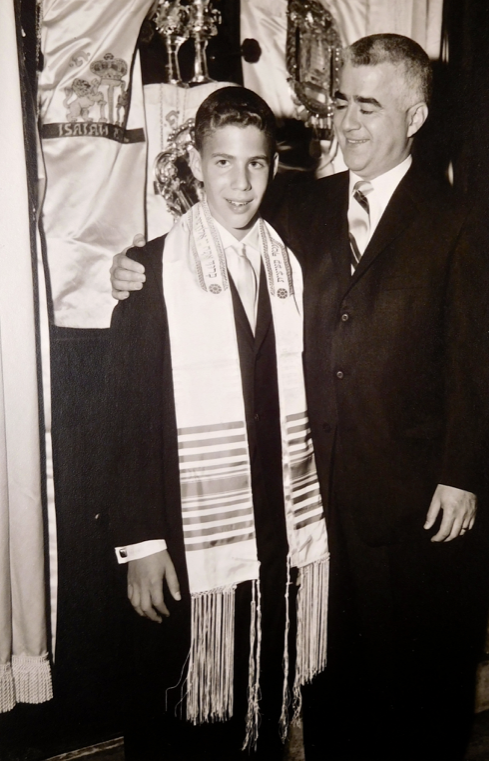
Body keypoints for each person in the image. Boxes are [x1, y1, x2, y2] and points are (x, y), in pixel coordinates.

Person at [111, 35, 489, 760]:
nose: (348, 122)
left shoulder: (471, 228)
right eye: (342, 101)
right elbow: (215, 232)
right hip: (315, 508)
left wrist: (463, 473)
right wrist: (135, 267)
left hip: (413, 504)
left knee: (415, 689)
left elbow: (488, 368)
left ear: (416, 115)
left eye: (369, 106)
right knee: (330, 682)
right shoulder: (300, 206)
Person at [107, 86, 329, 761]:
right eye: (224, 163)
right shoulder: (150, 271)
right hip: (184, 524)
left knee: (261, 695)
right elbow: (125, 421)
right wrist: (140, 543)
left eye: (256, 164)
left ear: (273, 167)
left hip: (272, 517)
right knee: (181, 703)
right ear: (196, 165)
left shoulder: (293, 263)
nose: (241, 183)